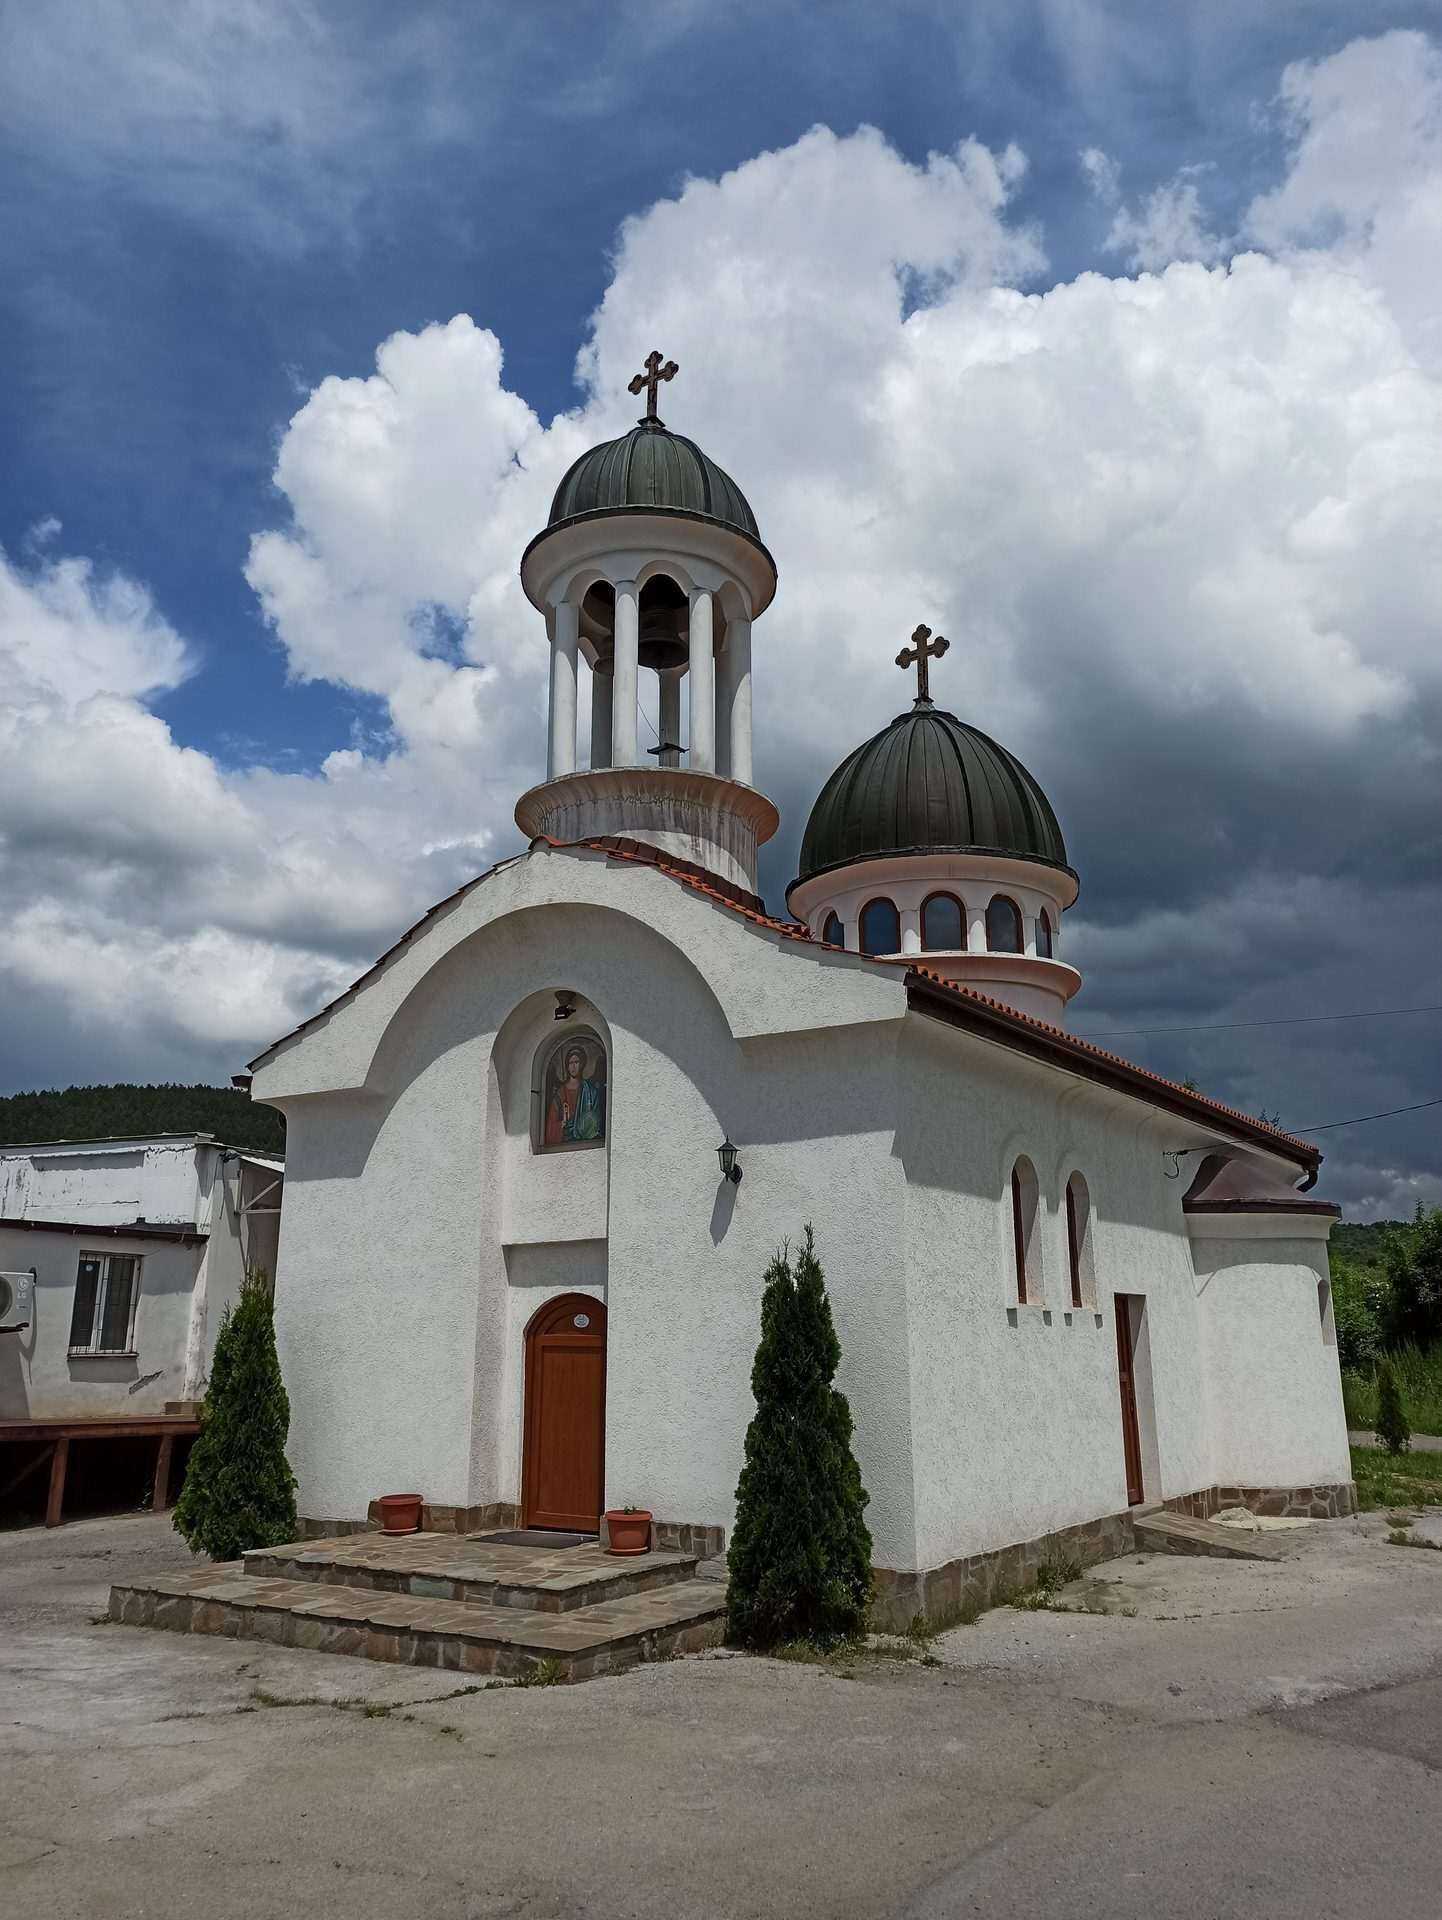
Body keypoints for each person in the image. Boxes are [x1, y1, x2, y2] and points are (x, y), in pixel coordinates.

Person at [544, 1043, 604, 1145]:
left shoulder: (590, 1091)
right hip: (564, 1140)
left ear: (582, 1064)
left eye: (576, 1062)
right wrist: (562, 1123)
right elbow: (551, 1126)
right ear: (567, 1066)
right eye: (570, 1063)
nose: (573, 1066)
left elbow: (596, 1120)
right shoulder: (560, 1093)